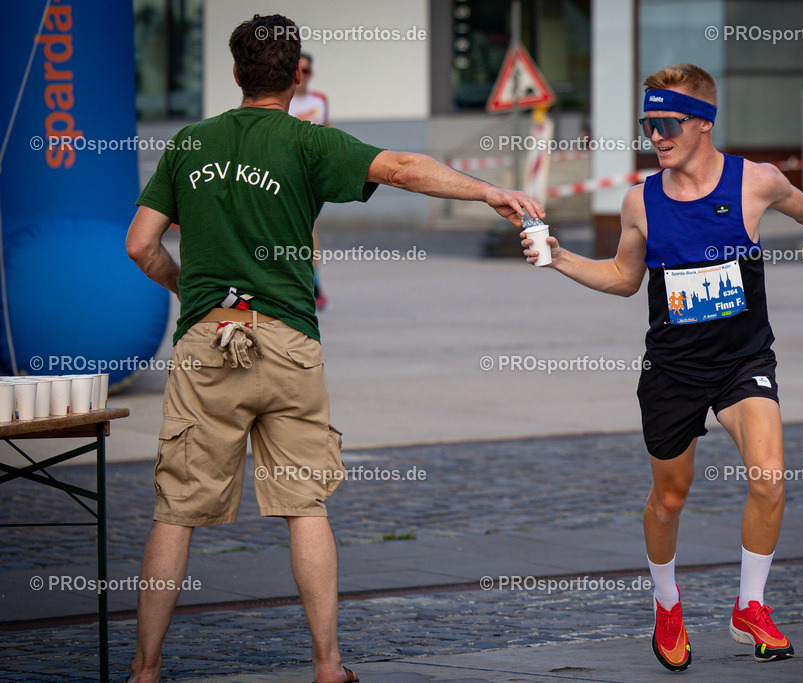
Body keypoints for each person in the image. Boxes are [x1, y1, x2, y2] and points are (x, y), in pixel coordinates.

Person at [124, 14, 543, 683]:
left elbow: (140, 244)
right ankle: (327, 665)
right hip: (288, 341)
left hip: (209, 339)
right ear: (296, 76)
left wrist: (191, 297)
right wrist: (489, 190)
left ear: (234, 75)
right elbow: (402, 167)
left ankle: (144, 671)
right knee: (304, 504)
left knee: (177, 510)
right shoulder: (308, 143)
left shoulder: (189, 144)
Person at [521, 63, 803, 672]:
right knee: (670, 497)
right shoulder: (641, 202)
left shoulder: (755, 183)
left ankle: (750, 607)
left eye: (667, 123)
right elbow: (625, 280)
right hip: (673, 370)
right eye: (647, 123)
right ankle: (667, 605)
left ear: (703, 124)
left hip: (743, 361)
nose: (654, 135)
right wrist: (558, 257)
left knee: (769, 478)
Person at [287, 52, 330, 310]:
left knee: (308, 227)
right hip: (284, 175)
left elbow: (327, 131)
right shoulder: (282, 102)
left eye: (307, 71)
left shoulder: (319, 101)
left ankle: (313, 284)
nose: (302, 77)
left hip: (311, 177)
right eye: (298, 71)